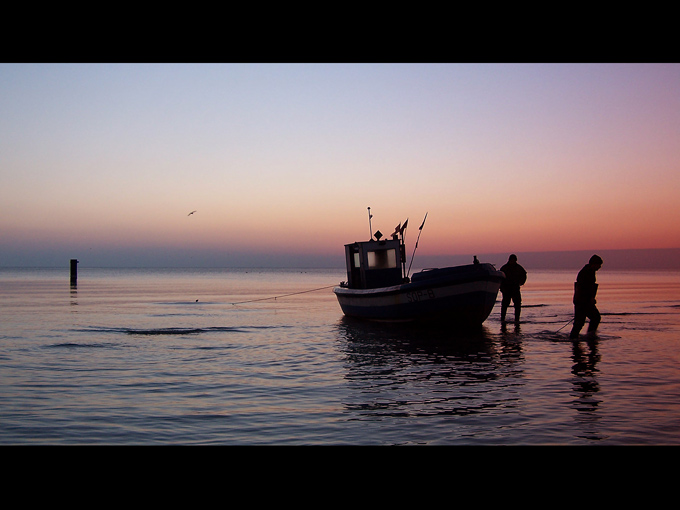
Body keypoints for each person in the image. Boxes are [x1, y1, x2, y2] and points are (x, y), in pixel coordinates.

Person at [569, 254, 603, 339]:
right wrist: (590, 298)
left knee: (590, 319)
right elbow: (583, 288)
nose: (599, 267)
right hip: (583, 301)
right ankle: (586, 336)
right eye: (599, 265)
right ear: (594, 264)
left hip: (584, 301)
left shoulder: (590, 272)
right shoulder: (586, 272)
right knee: (583, 321)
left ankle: (589, 335)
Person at [500, 254, 527, 323]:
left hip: (515, 288)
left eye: (514, 260)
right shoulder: (504, 268)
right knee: (505, 305)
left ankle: (517, 319)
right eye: (512, 260)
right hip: (507, 289)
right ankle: (502, 319)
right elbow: (500, 278)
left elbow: (524, 275)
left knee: (517, 304)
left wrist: (521, 283)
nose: (513, 261)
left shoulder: (519, 268)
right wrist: (502, 288)